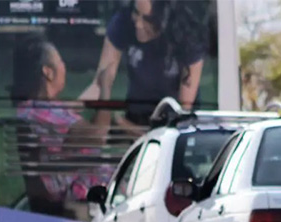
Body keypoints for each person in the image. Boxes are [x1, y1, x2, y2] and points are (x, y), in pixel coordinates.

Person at [12, 33, 115, 217]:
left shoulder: (35, 109)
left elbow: (74, 108)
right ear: (48, 72)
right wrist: (106, 89)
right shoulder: (44, 113)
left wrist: (98, 83)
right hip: (83, 201)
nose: (64, 66)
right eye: (60, 61)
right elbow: (99, 136)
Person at [80, 0, 210, 135]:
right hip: (136, 114)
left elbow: (183, 114)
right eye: (136, 13)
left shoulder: (189, 38)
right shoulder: (123, 22)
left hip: (171, 124)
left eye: (148, 19)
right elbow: (100, 83)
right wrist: (69, 111)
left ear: (165, 17)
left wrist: (124, 125)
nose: (138, 24)